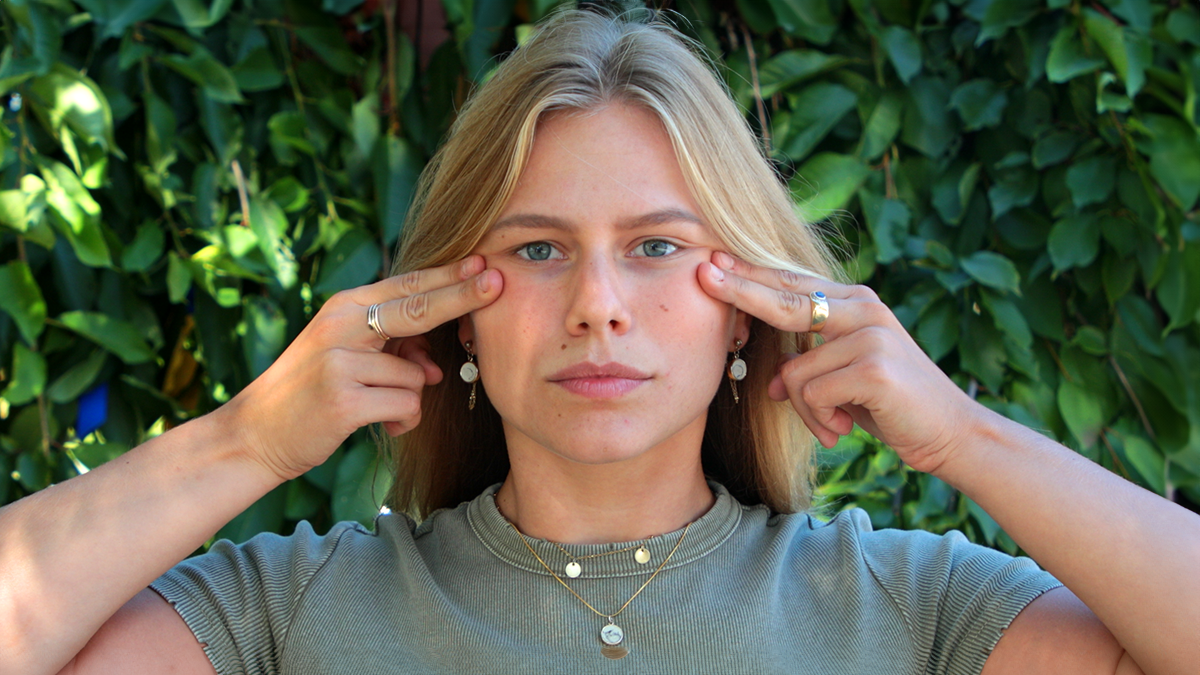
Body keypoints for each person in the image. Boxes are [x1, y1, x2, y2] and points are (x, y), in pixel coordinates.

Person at [1, 6, 1195, 675]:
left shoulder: (907, 608)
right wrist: (245, 445)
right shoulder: (293, 613)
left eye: (661, 246)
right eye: (534, 249)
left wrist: (969, 439)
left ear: (750, 302)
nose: (598, 305)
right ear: (453, 304)